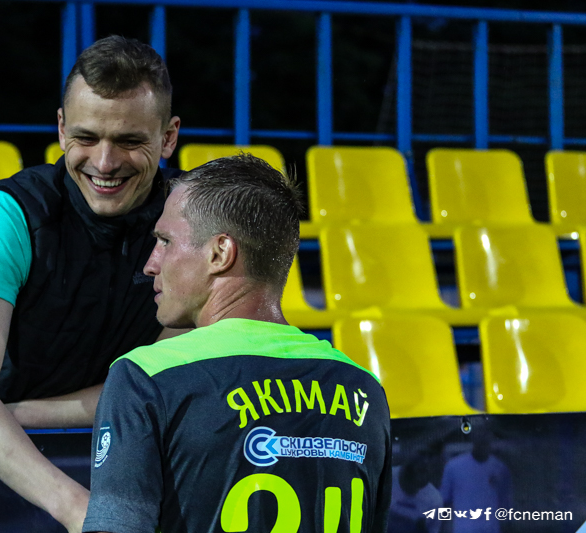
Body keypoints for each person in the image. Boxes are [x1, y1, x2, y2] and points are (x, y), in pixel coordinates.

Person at [0, 36, 182, 532]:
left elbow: (161, 385)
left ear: (169, 137)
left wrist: (21, 413)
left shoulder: (189, 222)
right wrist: (79, 510)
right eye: (86, 137)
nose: (105, 162)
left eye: (130, 141)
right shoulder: (9, 213)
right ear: (60, 128)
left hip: (125, 463)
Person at [82, 154, 392, 533]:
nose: (151, 264)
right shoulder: (364, 387)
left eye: (164, 241)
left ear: (220, 253)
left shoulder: (146, 376)